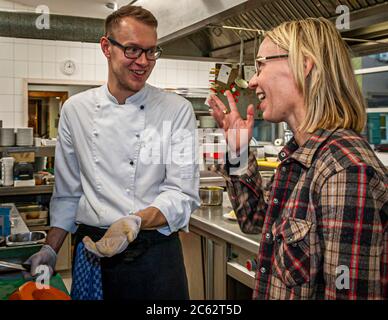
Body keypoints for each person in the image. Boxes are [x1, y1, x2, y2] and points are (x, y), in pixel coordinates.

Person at [24, 5, 200, 300]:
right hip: (93, 252)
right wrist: (50, 248)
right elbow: (68, 193)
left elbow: (182, 193)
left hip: (154, 255)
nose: (143, 62)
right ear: (106, 47)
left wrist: (135, 221)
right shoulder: (75, 110)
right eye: (132, 50)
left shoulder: (176, 110)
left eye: (151, 52)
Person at [209, 17, 388, 299]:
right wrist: (238, 153)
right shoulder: (300, 156)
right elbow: (255, 219)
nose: (253, 80)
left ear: (303, 65)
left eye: (261, 65)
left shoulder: (344, 170)